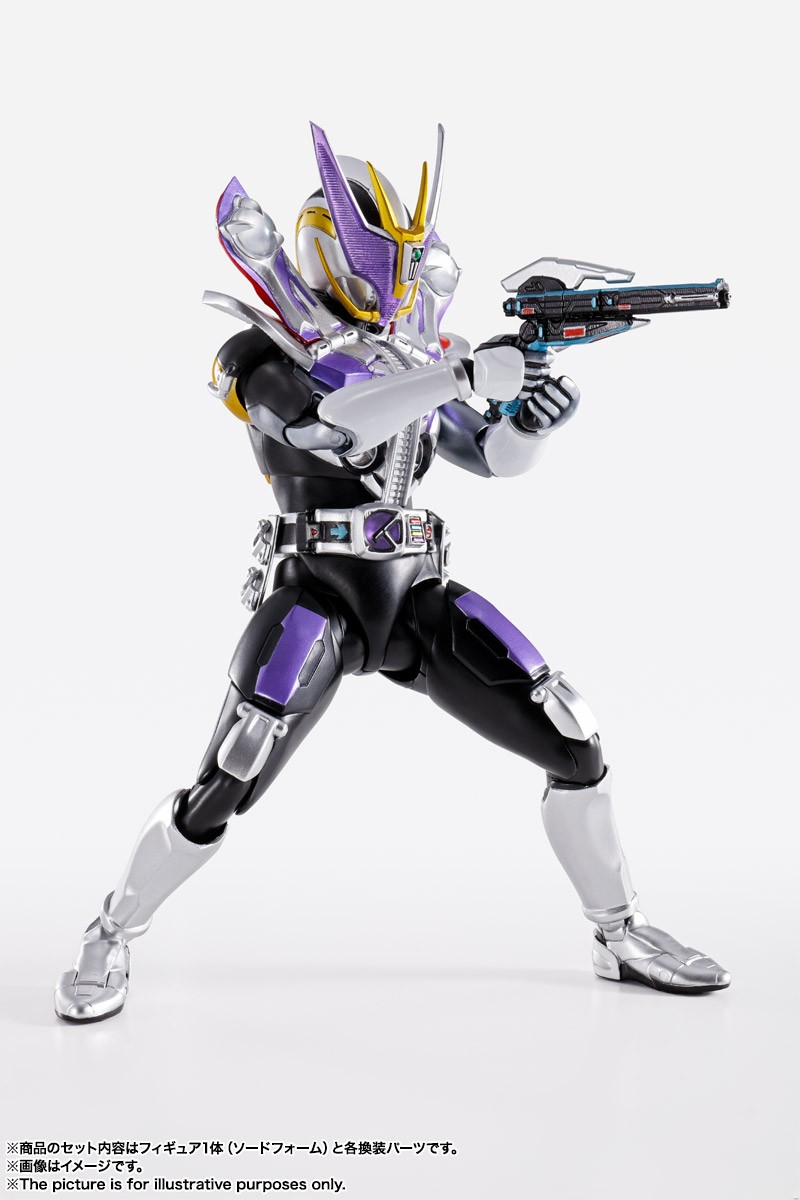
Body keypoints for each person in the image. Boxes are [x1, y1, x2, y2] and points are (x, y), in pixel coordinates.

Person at [55, 123, 729, 1023]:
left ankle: (620, 930)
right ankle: (111, 931)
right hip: (318, 594)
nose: (390, 283)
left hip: (414, 595)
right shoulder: (260, 354)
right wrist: (459, 375)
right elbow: (330, 426)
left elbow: (490, 458)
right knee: (233, 766)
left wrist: (529, 421)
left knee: (573, 734)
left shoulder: (414, 358)